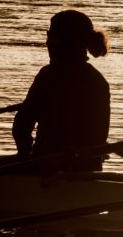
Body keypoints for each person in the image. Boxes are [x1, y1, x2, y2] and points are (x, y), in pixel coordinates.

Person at [11, 9, 111, 172]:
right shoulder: (99, 81)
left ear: (68, 43)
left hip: (47, 168)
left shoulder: (49, 75)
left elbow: (21, 126)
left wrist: (24, 156)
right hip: (87, 172)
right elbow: (99, 139)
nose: (47, 43)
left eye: (51, 37)